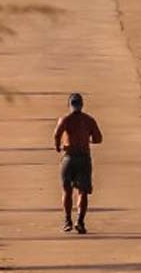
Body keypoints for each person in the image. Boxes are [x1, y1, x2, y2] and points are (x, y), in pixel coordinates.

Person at [54, 93, 103, 234]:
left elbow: (56, 134)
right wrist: (87, 140)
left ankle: (67, 221)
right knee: (83, 192)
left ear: (69, 105)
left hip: (68, 157)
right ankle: (80, 222)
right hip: (83, 158)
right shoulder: (89, 120)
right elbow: (99, 138)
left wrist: (58, 146)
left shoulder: (65, 120)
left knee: (67, 190)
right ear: (82, 105)